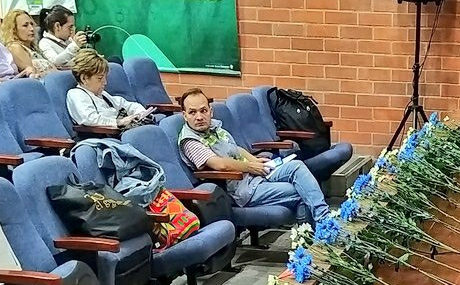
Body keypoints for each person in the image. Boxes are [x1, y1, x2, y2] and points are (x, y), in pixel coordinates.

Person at [177, 88, 332, 224]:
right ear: (184, 115)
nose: (199, 116)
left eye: (203, 110)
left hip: (254, 176)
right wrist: (251, 167)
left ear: (211, 111)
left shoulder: (214, 128)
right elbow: (219, 165)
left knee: (296, 166)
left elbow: (235, 148)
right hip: (241, 190)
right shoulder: (190, 141)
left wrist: (255, 161)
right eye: (192, 112)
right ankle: (318, 233)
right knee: (302, 190)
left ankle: (323, 222)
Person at [66, 48, 152, 128]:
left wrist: (141, 113)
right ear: (84, 78)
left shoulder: (102, 94)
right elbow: (89, 119)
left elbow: (127, 105)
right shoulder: (76, 94)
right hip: (100, 137)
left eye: (105, 78)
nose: (105, 83)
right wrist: (118, 122)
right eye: (100, 78)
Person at [0, 9, 53, 78]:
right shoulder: (14, 47)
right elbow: (32, 74)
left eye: (31, 24)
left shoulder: (33, 47)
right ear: (14, 30)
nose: (31, 28)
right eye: (25, 25)